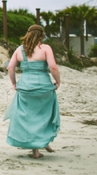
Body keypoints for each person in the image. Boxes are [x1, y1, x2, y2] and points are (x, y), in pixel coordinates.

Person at [4, 24, 61, 159]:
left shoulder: (20, 49)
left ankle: (42, 144)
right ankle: (38, 148)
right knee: (45, 115)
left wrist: (14, 83)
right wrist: (58, 81)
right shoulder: (46, 48)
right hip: (43, 87)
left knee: (29, 117)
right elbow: (53, 66)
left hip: (25, 87)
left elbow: (10, 68)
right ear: (42, 36)